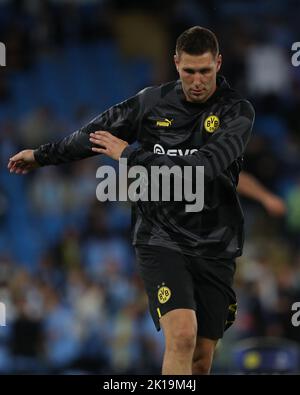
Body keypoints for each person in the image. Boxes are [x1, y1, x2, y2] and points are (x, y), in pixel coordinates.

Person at [8, 26, 257, 375]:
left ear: (218, 63)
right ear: (176, 64)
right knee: (182, 335)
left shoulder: (237, 113)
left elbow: (202, 169)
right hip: (160, 236)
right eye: (189, 71)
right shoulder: (151, 103)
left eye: (205, 71)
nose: (197, 80)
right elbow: (96, 132)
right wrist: (42, 155)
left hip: (215, 241)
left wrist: (130, 155)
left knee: (201, 357)